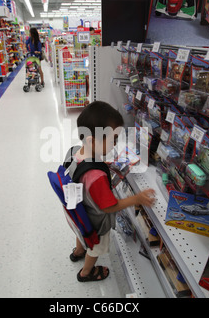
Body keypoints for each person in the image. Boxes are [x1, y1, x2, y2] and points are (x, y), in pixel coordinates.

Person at [65, 101, 155, 282]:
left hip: (76, 214)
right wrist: (136, 198)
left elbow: (82, 172)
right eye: (113, 140)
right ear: (92, 141)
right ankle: (86, 272)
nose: (115, 145)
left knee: (80, 234)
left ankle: (78, 251)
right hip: (94, 223)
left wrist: (101, 165)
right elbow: (109, 207)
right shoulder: (96, 176)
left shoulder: (74, 151)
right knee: (96, 247)